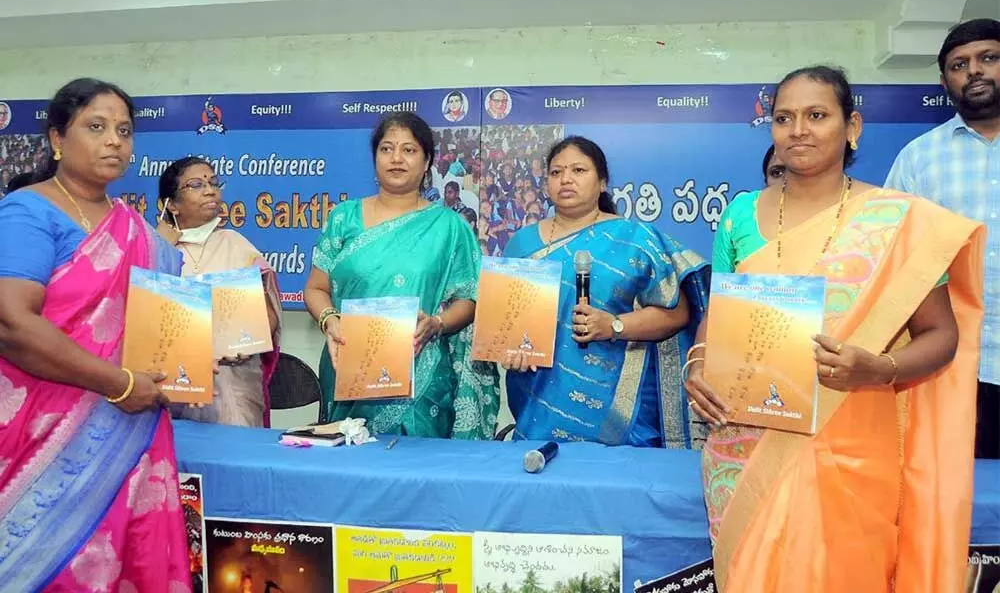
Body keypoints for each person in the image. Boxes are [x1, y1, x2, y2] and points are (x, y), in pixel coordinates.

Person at [685, 65, 984, 592]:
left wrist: (879, 367)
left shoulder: (901, 221)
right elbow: (720, 313)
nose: (798, 129)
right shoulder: (738, 216)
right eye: (784, 117)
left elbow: (942, 336)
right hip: (743, 444)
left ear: (853, 127)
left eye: (817, 115)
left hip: (852, 440)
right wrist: (695, 366)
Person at [0, 78, 190, 590]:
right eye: (97, 127)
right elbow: (11, 324)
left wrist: (190, 357)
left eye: (124, 131)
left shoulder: (137, 230)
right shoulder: (28, 213)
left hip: (131, 434)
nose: (114, 141)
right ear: (58, 139)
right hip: (41, 429)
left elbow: (165, 325)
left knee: (129, 560)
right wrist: (120, 384)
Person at [502, 136, 710, 448]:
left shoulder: (634, 237)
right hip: (536, 398)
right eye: (556, 173)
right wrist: (511, 351)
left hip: (615, 406)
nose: (566, 179)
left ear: (602, 183)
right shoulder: (521, 244)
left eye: (578, 170)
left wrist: (613, 326)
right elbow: (507, 323)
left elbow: (678, 313)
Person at [304, 111, 499, 438]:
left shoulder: (450, 227)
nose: (397, 158)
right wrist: (329, 320)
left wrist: (437, 324)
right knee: (347, 472)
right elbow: (316, 287)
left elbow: (470, 299)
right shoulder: (343, 218)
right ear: (375, 157)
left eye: (409, 150)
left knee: (418, 476)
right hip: (348, 362)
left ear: (427, 163)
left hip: (422, 376)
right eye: (387, 148)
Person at [885, 18, 1000, 460]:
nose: (974, 71)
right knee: (955, 498)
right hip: (949, 365)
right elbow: (892, 256)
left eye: (988, 58)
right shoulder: (918, 157)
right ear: (943, 81)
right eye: (959, 64)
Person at [156, 157, 282, 427]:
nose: (210, 190)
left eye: (213, 182)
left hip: (235, 380)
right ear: (172, 204)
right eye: (196, 185)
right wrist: (159, 250)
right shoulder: (155, 250)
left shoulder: (236, 244)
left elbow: (268, 313)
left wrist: (249, 342)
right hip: (175, 384)